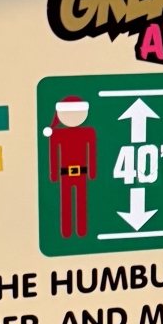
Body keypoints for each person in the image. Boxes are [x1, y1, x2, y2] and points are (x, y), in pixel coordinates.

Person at [46, 96, 96, 238]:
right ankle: (66, 231)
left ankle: (82, 230)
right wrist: (53, 174)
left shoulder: (89, 132)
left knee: (81, 202)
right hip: (65, 173)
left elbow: (92, 152)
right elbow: (53, 153)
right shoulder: (57, 134)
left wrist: (92, 172)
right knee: (66, 202)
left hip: (82, 172)